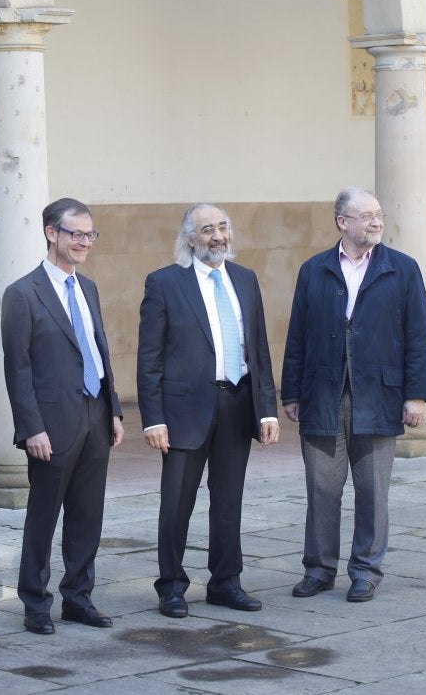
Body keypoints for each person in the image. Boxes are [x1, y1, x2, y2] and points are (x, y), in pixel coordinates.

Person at [282, 186, 426, 603]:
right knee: (322, 490)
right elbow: (298, 335)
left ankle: (366, 570)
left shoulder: (402, 268)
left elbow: (418, 335)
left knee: (372, 491)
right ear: (341, 222)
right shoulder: (314, 269)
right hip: (322, 396)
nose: (376, 221)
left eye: (378, 214)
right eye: (365, 215)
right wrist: (292, 391)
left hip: (379, 395)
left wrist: (416, 395)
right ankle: (319, 570)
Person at [137, 203, 279, 618]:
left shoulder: (246, 280)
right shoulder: (165, 283)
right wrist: (154, 417)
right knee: (177, 502)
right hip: (183, 411)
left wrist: (266, 409)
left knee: (229, 500)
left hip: (237, 402)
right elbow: (150, 359)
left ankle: (225, 583)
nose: (218, 236)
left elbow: (260, 350)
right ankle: (172, 587)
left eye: (223, 227)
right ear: (189, 238)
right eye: (207, 229)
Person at [1, 197, 124, 633]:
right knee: (44, 515)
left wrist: (113, 409)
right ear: (52, 233)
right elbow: (17, 369)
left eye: (90, 234)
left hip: (95, 415)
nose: (84, 242)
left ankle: (79, 598)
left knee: (88, 514)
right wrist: (30, 426)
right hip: (50, 426)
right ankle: (35, 602)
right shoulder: (22, 293)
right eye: (76, 233)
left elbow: (98, 350)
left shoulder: (87, 287)